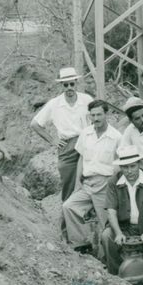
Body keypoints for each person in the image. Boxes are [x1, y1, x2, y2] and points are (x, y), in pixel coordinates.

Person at [62, 100, 122, 253]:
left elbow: (119, 164)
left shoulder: (116, 137)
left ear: (106, 114)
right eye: (93, 115)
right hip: (87, 184)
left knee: (106, 224)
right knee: (69, 206)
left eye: (99, 114)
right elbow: (81, 159)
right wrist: (77, 184)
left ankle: (109, 260)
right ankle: (81, 244)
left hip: (105, 184)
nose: (96, 118)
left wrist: (111, 184)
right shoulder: (86, 133)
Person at [101, 145, 143, 275]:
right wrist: (119, 233)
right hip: (124, 227)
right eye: (125, 167)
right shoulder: (113, 182)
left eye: (132, 166)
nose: (129, 171)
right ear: (120, 168)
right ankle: (116, 275)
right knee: (106, 236)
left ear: (139, 164)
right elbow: (111, 211)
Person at [30, 67, 93, 202]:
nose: (69, 88)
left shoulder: (87, 100)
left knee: (91, 179)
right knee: (68, 184)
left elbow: (97, 117)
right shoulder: (54, 104)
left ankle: (89, 217)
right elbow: (35, 124)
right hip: (67, 147)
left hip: (86, 143)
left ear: (76, 83)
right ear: (61, 85)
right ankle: (67, 219)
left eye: (72, 84)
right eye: (66, 85)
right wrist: (53, 140)